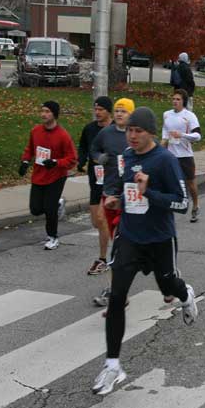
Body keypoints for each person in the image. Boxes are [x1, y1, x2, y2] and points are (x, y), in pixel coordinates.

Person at [92, 107, 197, 396]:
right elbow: (130, 193)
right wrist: (118, 202)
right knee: (116, 297)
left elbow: (181, 203)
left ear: (150, 131)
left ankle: (186, 295)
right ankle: (113, 364)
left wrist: (149, 191)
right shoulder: (126, 156)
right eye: (130, 130)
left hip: (160, 239)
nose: (133, 135)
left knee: (169, 285)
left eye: (138, 130)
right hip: (130, 237)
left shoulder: (164, 160)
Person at [19, 101, 77, 250]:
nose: (43, 114)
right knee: (36, 209)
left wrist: (56, 162)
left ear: (54, 115)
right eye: (42, 111)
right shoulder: (36, 131)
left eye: (47, 111)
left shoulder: (63, 135)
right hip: (39, 175)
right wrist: (25, 162)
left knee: (49, 209)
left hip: (56, 176)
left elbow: (72, 159)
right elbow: (30, 149)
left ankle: (53, 237)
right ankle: (58, 203)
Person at [87, 97, 134, 278]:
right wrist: (99, 158)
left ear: (131, 114)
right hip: (109, 187)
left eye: (124, 111)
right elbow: (94, 149)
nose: (119, 114)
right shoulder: (106, 133)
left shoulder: (134, 134)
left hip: (127, 193)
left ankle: (122, 262)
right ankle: (103, 258)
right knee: (101, 219)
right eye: (117, 111)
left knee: (123, 233)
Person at [77, 96, 113, 274]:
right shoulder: (90, 129)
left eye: (101, 109)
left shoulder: (116, 131)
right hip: (95, 178)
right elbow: (84, 146)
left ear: (109, 111)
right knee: (96, 221)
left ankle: (104, 258)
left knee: (101, 218)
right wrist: (81, 161)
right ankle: (111, 242)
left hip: (112, 181)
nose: (97, 112)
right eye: (96, 109)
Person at [162, 89, 202, 222]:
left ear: (183, 101)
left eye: (178, 99)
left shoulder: (189, 116)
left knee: (190, 183)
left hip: (185, 156)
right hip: (170, 156)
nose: (175, 101)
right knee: (168, 183)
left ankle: (196, 205)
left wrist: (182, 135)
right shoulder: (166, 115)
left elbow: (198, 136)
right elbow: (165, 135)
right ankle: (168, 210)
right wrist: (161, 150)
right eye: (173, 99)